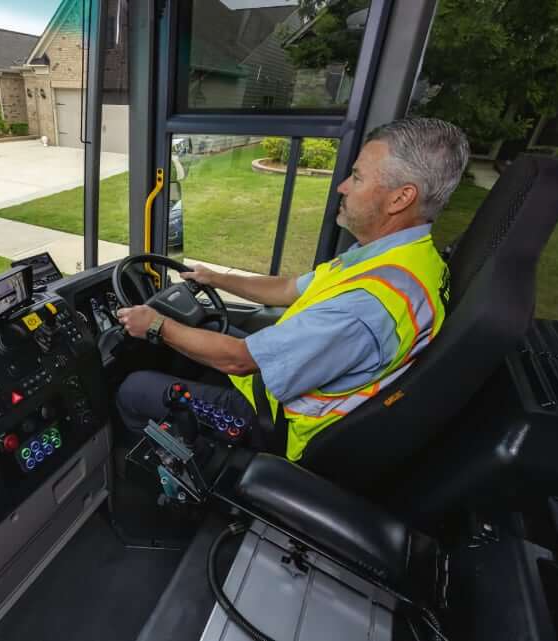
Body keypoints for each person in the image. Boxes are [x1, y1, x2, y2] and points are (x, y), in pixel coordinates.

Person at [116, 117, 470, 461]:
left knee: (133, 390)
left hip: (275, 425)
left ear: (400, 199)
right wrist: (217, 278)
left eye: (357, 177)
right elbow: (288, 288)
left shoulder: (367, 305)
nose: (343, 186)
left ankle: (172, 464)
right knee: (204, 328)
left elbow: (238, 360)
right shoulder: (401, 260)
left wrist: (156, 325)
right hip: (277, 387)